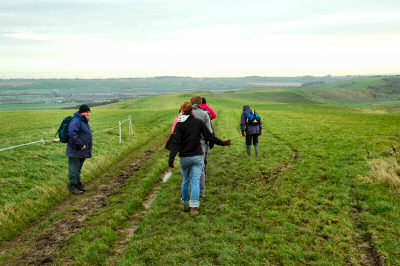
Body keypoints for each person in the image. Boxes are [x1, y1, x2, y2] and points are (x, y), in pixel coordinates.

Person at [169, 102, 231, 216]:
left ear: (182, 111)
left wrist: (171, 158)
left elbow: (176, 143)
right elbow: (210, 137)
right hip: (198, 156)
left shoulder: (178, 125)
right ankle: (194, 208)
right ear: (192, 111)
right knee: (195, 181)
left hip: (184, 158)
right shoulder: (198, 123)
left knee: (186, 180)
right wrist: (223, 143)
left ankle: (185, 204)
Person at [66, 104, 93, 195]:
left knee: (78, 169)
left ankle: (78, 185)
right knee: (74, 169)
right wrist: (80, 145)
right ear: (82, 112)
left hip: (81, 151)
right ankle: (73, 187)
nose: (88, 114)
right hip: (75, 150)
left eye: (89, 112)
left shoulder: (83, 121)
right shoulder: (76, 121)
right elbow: (72, 134)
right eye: (87, 112)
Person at [190, 95, 212, 197]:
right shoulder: (204, 114)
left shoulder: (184, 114)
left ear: (191, 103)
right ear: (200, 104)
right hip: (201, 145)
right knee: (201, 168)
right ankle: (201, 192)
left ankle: (191, 191)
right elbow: (209, 132)